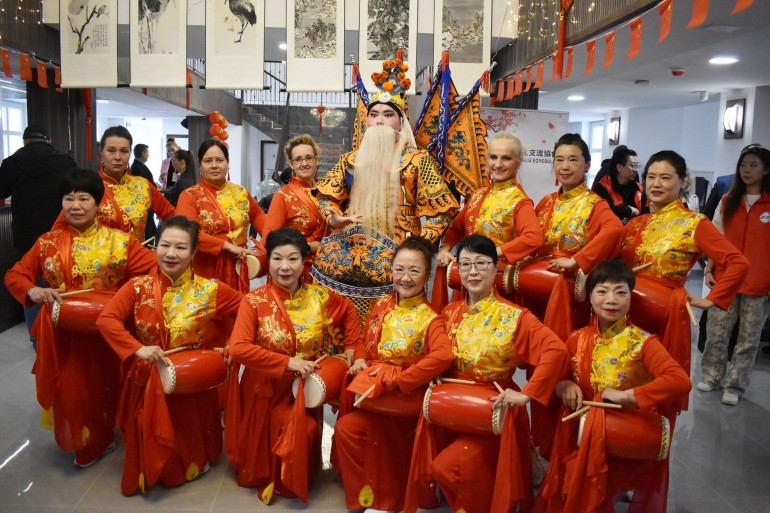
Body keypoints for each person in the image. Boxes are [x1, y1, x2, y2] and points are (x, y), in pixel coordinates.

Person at [4, 168, 156, 468]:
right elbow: (15, 275)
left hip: (107, 333)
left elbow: (154, 269)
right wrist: (35, 291)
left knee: (106, 386)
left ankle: (103, 435)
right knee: (72, 392)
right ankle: (86, 441)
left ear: (98, 203)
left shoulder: (120, 242)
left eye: (84, 198)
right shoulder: (47, 243)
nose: (75, 206)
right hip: (64, 334)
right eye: (68, 198)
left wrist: (129, 297)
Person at [404, 235, 568, 513]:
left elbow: (555, 350)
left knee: (451, 467)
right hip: (451, 407)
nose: (473, 271)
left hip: (492, 413)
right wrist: (434, 372)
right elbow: (434, 354)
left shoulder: (514, 316)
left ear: (495, 268)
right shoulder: (448, 313)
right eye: (466, 264)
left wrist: (526, 394)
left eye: (481, 264)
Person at [96, 216, 242, 495]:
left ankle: (191, 465)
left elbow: (247, 309)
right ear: (156, 246)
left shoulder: (209, 290)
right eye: (165, 245)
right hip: (149, 375)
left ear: (194, 253)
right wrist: (138, 348)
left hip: (191, 377)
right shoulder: (137, 287)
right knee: (148, 428)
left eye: (180, 247)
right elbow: (107, 320)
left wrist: (232, 343)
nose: (170, 254)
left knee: (188, 430)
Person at [535, 259, 691, 513]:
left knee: (583, 484)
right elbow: (553, 380)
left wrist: (629, 396)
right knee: (572, 481)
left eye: (621, 292)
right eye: (602, 291)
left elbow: (679, 380)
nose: (612, 300)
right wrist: (564, 386)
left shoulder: (643, 342)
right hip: (582, 433)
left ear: (631, 297)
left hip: (622, 435)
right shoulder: (576, 339)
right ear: (590, 297)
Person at [226, 227, 365, 504]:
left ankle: (294, 475)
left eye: (293, 259)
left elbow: (349, 312)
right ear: (268, 261)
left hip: (305, 387)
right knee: (266, 456)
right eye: (277, 259)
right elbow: (239, 348)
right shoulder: (254, 301)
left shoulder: (319, 297)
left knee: (305, 433)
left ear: (304, 262)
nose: (285, 267)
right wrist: (287, 362)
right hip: (265, 388)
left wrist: (353, 347)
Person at [333, 237, 453, 512]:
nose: (405, 278)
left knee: (382, 436)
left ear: (427, 275)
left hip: (403, 399)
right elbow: (362, 339)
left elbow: (443, 356)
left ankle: (386, 500)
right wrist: (360, 359)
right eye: (399, 269)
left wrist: (401, 379)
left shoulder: (430, 318)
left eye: (414, 270)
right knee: (345, 429)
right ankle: (363, 495)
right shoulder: (382, 305)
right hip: (373, 392)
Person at [621, 150, 748, 386]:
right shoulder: (636, 223)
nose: (656, 184)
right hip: (626, 309)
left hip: (663, 313)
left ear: (683, 181)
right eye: (651, 177)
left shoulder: (694, 223)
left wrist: (711, 300)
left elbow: (737, 262)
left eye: (665, 178)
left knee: (654, 382)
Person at [434, 133, 543, 308]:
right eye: (493, 157)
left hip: (497, 280)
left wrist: (492, 253)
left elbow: (534, 237)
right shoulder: (479, 194)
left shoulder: (519, 201)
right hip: (469, 276)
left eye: (506, 158)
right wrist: (444, 248)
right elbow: (456, 228)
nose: (498, 164)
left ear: (518, 162)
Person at [532, 133, 623, 340]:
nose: (565, 166)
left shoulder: (594, 204)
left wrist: (576, 261)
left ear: (587, 166)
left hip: (570, 286)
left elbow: (615, 229)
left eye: (573, 160)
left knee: (567, 343)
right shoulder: (547, 201)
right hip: (539, 281)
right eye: (559, 160)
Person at [699, 146, 770, 405]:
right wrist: (709, 269)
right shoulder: (728, 200)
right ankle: (712, 376)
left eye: (753, 165)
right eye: (743, 165)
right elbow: (715, 239)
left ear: (766, 170)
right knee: (717, 332)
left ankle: (735, 386)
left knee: (748, 340)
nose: (746, 170)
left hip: (759, 283)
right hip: (726, 280)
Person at [0, 123, 77, 341]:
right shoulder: (65, 162)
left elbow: (1, 191)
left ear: (25, 141)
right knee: (64, 281)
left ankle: (37, 337)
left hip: (26, 234)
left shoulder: (11, 163)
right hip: (60, 232)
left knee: (31, 283)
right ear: (49, 140)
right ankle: (65, 332)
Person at [51, 126, 176, 241]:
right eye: (111, 151)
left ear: (130, 154)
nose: (117, 157)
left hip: (137, 255)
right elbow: (57, 232)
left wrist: (166, 243)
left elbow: (172, 215)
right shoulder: (88, 186)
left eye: (124, 151)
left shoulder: (143, 185)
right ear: (101, 153)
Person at [176, 139, 266, 292]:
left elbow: (260, 219)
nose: (214, 165)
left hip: (238, 269)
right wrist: (228, 247)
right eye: (208, 161)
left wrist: (274, 244)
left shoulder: (240, 192)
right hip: (205, 270)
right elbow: (187, 234)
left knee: (238, 305)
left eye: (219, 160)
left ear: (227, 163)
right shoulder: (190, 196)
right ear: (200, 165)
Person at [263, 134, 327, 279]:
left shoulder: (327, 192)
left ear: (316, 160)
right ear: (291, 164)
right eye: (298, 159)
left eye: (309, 158)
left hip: (327, 269)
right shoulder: (282, 196)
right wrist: (308, 247)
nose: (304, 163)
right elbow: (270, 240)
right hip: (296, 271)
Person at [591, 146, 649, 223]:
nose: (636, 170)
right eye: (632, 165)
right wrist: (629, 210)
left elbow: (645, 214)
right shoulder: (603, 187)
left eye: (637, 166)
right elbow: (606, 212)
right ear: (619, 167)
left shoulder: (639, 188)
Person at [130, 143, 159, 241]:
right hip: (143, 203)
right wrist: (154, 186)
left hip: (146, 202)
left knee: (151, 228)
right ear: (143, 153)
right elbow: (143, 184)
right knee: (149, 229)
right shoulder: (137, 167)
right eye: (147, 152)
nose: (148, 155)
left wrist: (154, 184)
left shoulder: (139, 166)